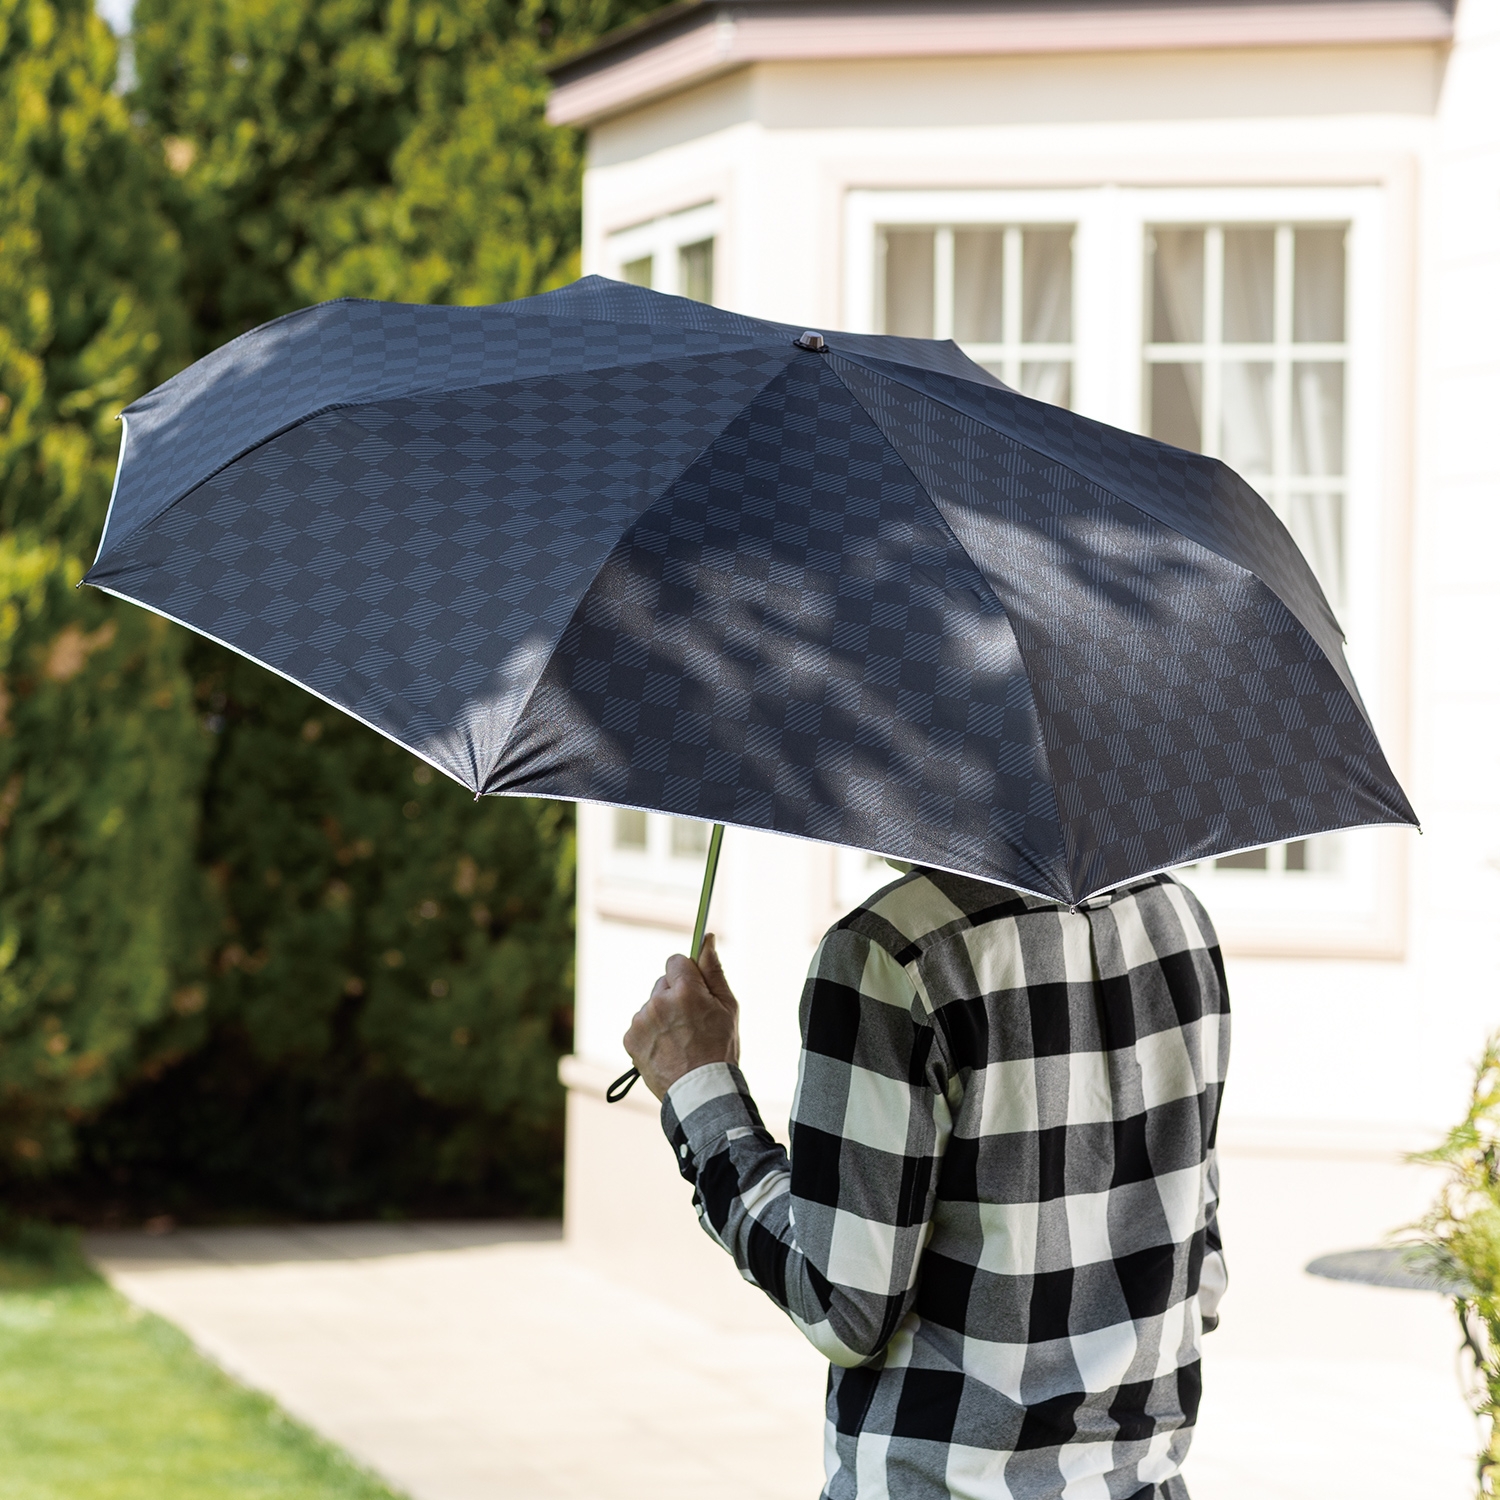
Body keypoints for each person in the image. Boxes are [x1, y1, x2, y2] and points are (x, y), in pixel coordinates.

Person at [624, 864, 1228, 1500]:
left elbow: (843, 1308)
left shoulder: (888, 953)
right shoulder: (1177, 920)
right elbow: (1201, 1273)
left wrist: (700, 1087)